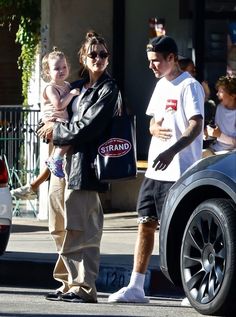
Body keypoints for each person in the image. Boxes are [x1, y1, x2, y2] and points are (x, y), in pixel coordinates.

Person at [108, 35, 205, 303]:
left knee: (182, 230)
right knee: (145, 226)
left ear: (172, 58)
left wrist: (172, 150)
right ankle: (136, 287)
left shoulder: (189, 86)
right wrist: (152, 129)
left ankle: (192, 288)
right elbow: (152, 123)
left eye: (156, 61)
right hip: (154, 171)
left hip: (179, 170)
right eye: (149, 61)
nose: (151, 66)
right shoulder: (160, 85)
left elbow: (196, 125)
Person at [37, 30, 120, 303]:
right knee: (58, 226)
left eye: (103, 54)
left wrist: (56, 132)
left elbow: (90, 127)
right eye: (93, 54)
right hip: (63, 167)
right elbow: (53, 117)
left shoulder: (108, 89)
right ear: (84, 57)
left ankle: (83, 287)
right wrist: (45, 124)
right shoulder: (74, 86)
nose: (98, 58)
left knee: (83, 229)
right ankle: (66, 282)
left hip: (86, 167)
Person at [11, 48, 80, 200]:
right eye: (56, 68)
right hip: (53, 121)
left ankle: (32, 187)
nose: (61, 71)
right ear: (48, 72)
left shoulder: (67, 85)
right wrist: (72, 94)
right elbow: (59, 105)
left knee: (56, 159)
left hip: (60, 121)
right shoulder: (51, 87)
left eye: (64, 67)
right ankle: (35, 183)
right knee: (68, 139)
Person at [203, 75, 236, 158]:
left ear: (233, 95)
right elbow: (217, 135)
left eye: (221, 91)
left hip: (230, 155)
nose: (217, 94)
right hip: (215, 150)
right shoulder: (219, 108)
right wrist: (208, 134)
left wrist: (219, 135)